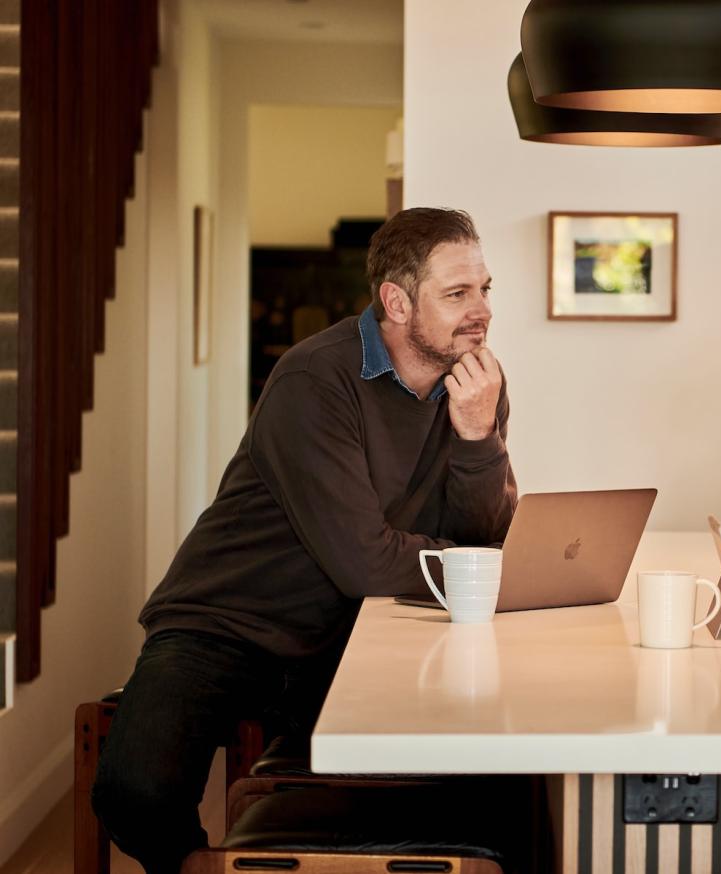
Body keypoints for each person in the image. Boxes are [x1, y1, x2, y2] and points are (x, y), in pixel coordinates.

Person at [92, 207, 518, 874]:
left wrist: (475, 437)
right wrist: (477, 563)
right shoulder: (316, 380)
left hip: (350, 636)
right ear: (397, 301)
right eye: (458, 293)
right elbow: (367, 562)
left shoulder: (476, 388)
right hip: (228, 622)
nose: (481, 311)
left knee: (478, 765)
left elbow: (478, 535)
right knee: (135, 791)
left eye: (485, 289)